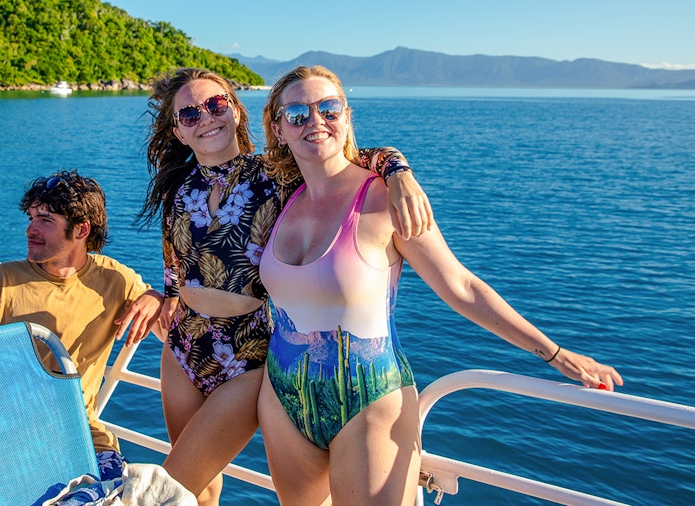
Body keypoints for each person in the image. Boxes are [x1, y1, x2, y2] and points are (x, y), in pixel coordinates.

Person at [256, 65, 623, 506]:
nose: (315, 121)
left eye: (328, 108)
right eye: (297, 114)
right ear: (278, 128)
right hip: (281, 400)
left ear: (347, 116)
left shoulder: (385, 200)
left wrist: (554, 352)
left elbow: (461, 286)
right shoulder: (277, 198)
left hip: (368, 402)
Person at [140, 67, 434, 506]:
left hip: (249, 355)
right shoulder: (179, 190)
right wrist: (159, 295)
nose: (205, 117)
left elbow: (350, 154)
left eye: (216, 104)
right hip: (183, 346)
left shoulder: (279, 176)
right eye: (189, 114)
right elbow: (175, 267)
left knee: (171, 484)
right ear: (180, 132)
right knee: (199, 491)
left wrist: (400, 172)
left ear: (237, 113)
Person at [0, 170, 164, 481]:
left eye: (45, 220)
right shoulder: (1, 282)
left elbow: (170, 334)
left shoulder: (116, 280)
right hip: (4, 436)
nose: (30, 229)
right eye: (31, 218)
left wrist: (157, 297)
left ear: (81, 230)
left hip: (83, 434)